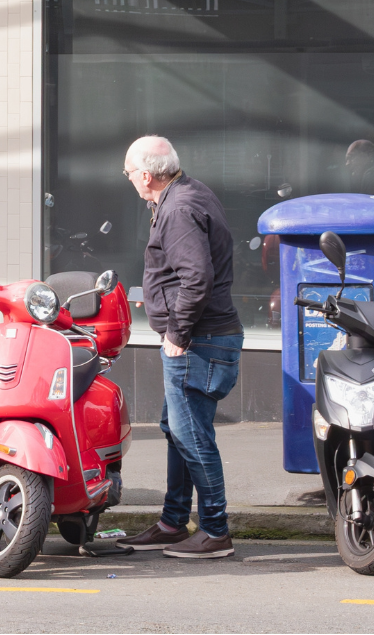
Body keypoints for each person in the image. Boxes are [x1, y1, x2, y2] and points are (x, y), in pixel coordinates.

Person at [115, 135, 245, 559]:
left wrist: (177, 333)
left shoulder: (178, 209)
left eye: (128, 172)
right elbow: (185, 272)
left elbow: (197, 278)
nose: (127, 178)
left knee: (192, 438)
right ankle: (173, 523)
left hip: (198, 341)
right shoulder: (187, 193)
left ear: (146, 176)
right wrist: (155, 296)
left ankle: (215, 532)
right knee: (177, 430)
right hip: (204, 335)